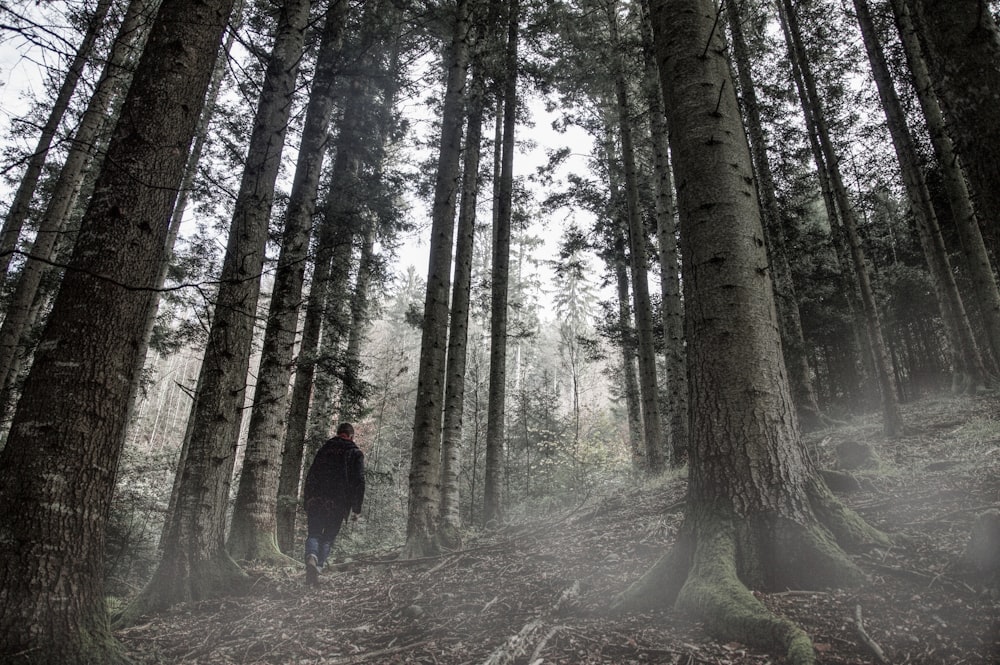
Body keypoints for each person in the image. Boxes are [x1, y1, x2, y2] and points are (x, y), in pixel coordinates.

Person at [302, 422, 365, 585]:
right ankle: (318, 566)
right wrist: (356, 508)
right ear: (351, 436)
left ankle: (311, 557)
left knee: (314, 533)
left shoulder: (324, 449)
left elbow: (311, 474)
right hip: (338, 504)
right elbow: (358, 481)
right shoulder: (355, 453)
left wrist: (306, 499)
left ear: (338, 433)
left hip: (316, 501)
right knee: (328, 538)